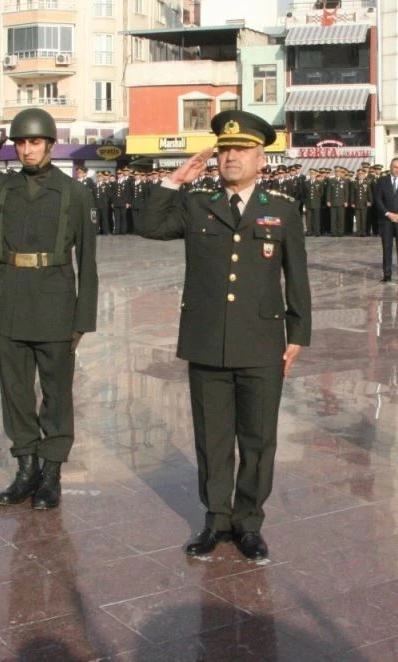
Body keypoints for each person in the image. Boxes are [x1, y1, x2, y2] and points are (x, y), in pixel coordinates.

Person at [137, 110, 312, 560]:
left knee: (257, 438)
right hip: (207, 340)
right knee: (212, 437)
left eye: (241, 150)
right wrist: (175, 180)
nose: (231, 157)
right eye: (225, 150)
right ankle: (216, 520)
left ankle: (249, 523)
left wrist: (298, 335)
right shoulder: (198, 204)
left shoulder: (281, 210)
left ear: (260, 157)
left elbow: (297, 277)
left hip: (260, 341)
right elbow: (150, 225)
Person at [0, 107, 98, 510]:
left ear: (50, 145)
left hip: (56, 301)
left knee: (57, 393)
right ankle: (26, 468)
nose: (27, 150)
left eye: (35, 142)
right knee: (15, 391)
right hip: (8, 300)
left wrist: (83, 319)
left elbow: (89, 262)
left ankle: (51, 473)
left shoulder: (74, 193)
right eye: (21, 142)